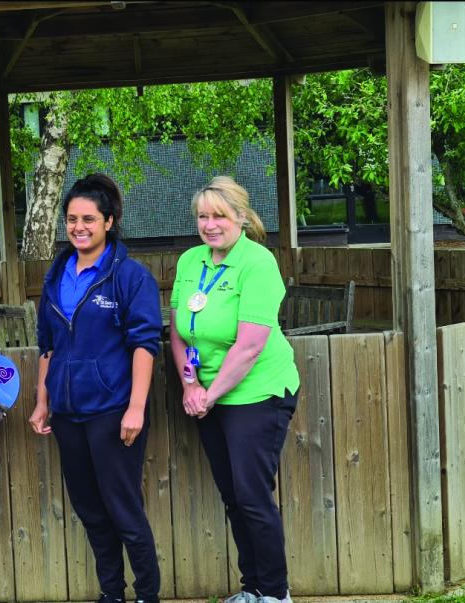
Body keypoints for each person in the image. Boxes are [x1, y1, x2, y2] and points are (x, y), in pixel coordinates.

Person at [29, 173, 162, 603]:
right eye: (71, 219)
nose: (78, 227)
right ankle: (112, 594)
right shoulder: (56, 276)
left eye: (88, 218)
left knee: (123, 510)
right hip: (68, 414)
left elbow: (145, 344)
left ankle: (147, 595)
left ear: (109, 222)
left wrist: (135, 409)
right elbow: (48, 346)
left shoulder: (129, 277)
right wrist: (42, 401)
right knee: (90, 510)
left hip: (113, 411)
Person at [169, 176, 300, 603]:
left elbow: (249, 346)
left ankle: (276, 594)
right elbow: (177, 331)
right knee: (232, 495)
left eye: (219, 216)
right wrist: (191, 385)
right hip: (208, 395)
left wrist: (208, 394)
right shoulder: (191, 261)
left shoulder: (258, 263)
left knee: (251, 495)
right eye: (203, 216)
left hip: (256, 393)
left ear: (241, 217)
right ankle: (253, 588)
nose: (210, 225)